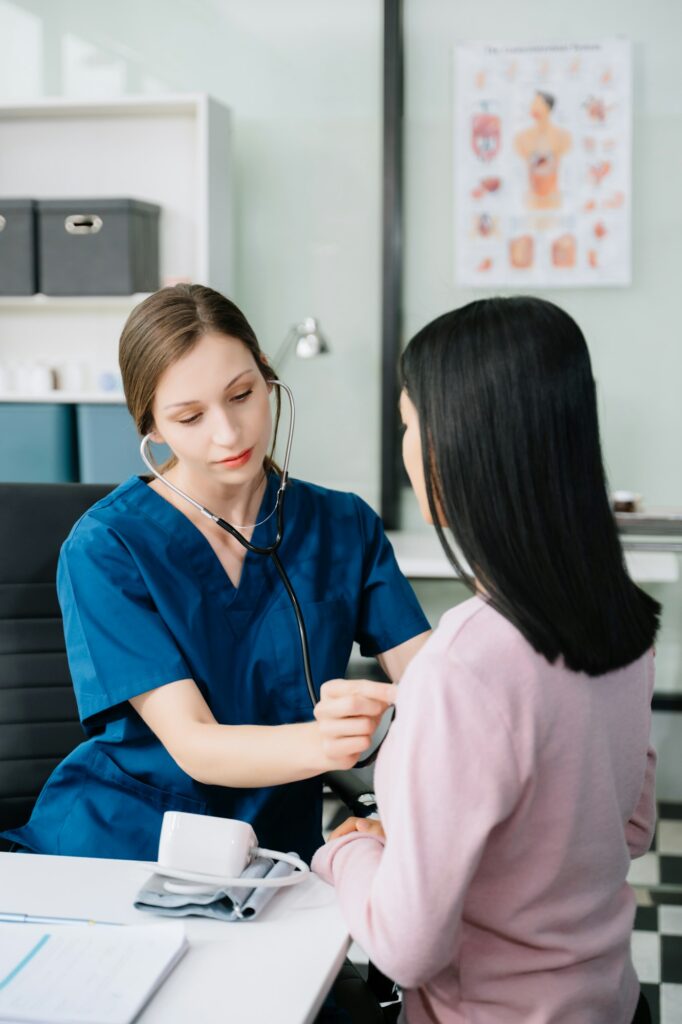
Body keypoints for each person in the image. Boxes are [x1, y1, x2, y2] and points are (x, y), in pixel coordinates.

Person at [312, 296, 659, 1024]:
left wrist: (348, 849)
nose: (403, 441)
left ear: (454, 445)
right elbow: (630, 829)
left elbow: (407, 950)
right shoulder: (620, 616)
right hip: (609, 1004)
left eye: (407, 421)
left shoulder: (463, 664)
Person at [3, 284, 430, 863]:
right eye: (190, 416)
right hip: (124, 851)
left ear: (267, 376)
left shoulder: (343, 525)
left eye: (242, 395)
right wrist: (338, 743)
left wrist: (394, 808)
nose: (228, 434)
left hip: (278, 856)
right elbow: (197, 747)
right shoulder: (109, 546)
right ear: (150, 426)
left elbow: (436, 687)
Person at [514, 91, 572, 210]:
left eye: (538, 104)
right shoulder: (521, 137)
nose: (534, 108)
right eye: (533, 104)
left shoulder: (563, 136)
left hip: (554, 202)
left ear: (549, 108)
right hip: (531, 203)